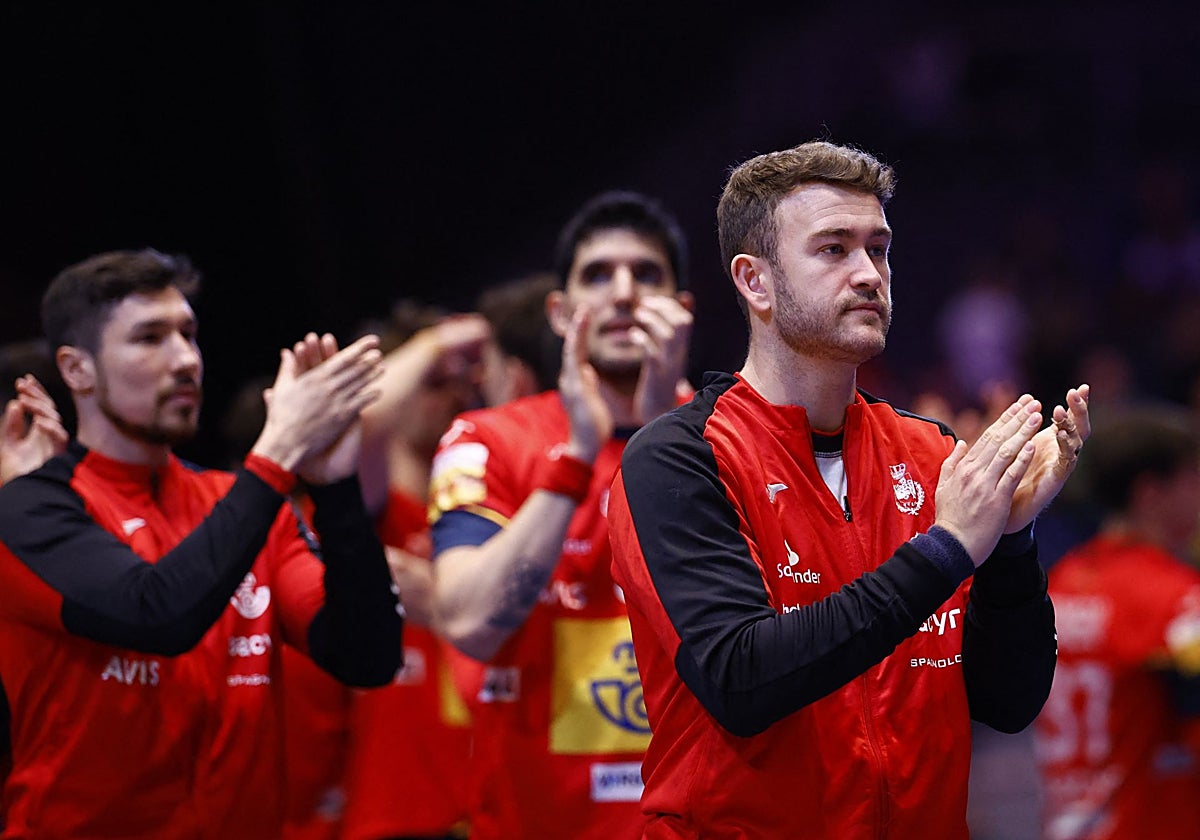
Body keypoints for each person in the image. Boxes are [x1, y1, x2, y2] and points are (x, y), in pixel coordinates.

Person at [606, 140, 1091, 838]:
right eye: (834, 250)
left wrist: (1010, 541)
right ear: (755, 281)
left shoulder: (932, 455)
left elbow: (1007, 702)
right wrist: (950, 547)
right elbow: (743, 682)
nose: (869, 274)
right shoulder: (679, 457)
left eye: (879, 248)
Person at [0, 248, 403, 839]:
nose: (186, 359)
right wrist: (278, 452)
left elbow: (366, 657)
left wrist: (334, 486)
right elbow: (158, 613)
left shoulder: (237, 504)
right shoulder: (29, 509)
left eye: (189, 334)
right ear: (78, 370)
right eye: (150, 338)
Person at [428, 191, 694, 839]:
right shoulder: (486, 439)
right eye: (598, 275)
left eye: (647, 274)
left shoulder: (742, 435)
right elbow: (469, 623)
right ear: (559, 312)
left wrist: (669, 433)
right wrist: (576, 457)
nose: (624, 293)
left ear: (682, 311)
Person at [1034, 405, 1200, 839]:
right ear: (1150, 493)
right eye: (1192, 477)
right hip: (1149, 824)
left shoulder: (1059, 584)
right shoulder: (1171, 598)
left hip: (1066, 823)